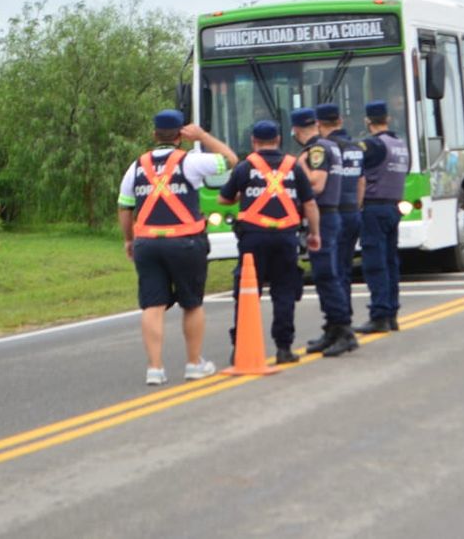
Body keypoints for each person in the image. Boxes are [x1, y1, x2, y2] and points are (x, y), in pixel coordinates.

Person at [118, 109, 238, 385]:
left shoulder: (137, 165)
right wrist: (203, 136)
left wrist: (129, 239)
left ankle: (155, 368)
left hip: (147, 243)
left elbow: (125, 206)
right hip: (185, 242)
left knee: (153, 304)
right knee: (192, 303)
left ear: (154, 134)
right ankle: (194, 363)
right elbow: (231, 160)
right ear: (181, 137)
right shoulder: (191, 161)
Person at [218, 119, 321, 364]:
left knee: (247, 293)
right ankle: (284, 348)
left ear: (254, 141)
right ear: (278, 140)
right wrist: (314, 234)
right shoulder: (293, 167)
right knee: (284, 291)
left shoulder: (245, 168)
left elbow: (224, 199)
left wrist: (246, 196)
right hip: (285, 237)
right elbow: (309, 203)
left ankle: (241, 346)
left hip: (252, 238)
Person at [290, 107, 359, 358]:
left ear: (296, 130)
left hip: (326, 215)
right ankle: (332, 327)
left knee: (327, 274)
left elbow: (317, 184)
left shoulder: (317, 150)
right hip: (331, 214)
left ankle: (343, 330)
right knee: (325, 274)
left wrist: (299, 167)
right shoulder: (329, 147)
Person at [352, 100, 410, 334]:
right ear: (388, 118)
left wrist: (356, 206)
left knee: (375, 263)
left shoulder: (372, 145)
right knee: (390, 262)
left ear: (368, 121)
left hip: (373, 208)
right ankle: (392, 314)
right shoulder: (400, 144)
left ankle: (379, 315)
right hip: (393, 207)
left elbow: (358, 175)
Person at [315, 103, 364, 326]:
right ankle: (346, 313)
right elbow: (362, 181)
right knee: (345, 267)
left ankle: (340, 319)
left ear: (318, 124)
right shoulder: (355, 147)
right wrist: (357, 205)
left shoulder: (325, 148)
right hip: (353, 210)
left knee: (332, 270)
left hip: (334, 212)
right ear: (340, 121)